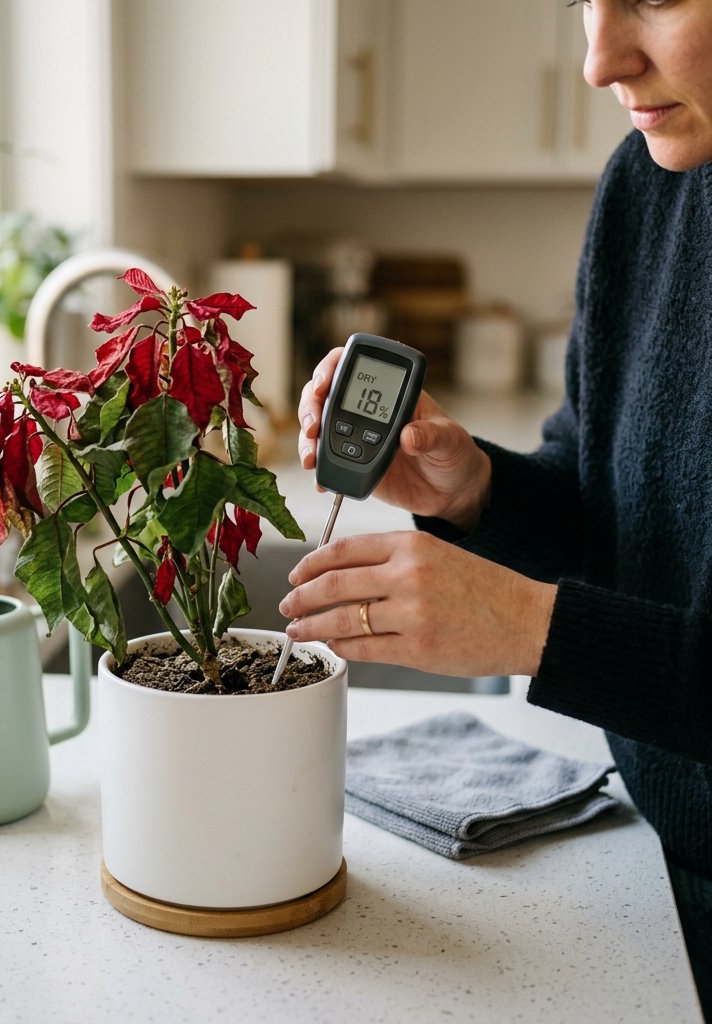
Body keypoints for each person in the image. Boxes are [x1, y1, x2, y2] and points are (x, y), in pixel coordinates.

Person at [279, 0, 712, 1016]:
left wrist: (528, 628)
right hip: (657, 873)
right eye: (581, 3)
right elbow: (606, 507)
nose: (598, 58)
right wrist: (473, 492)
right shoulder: (648, 187)